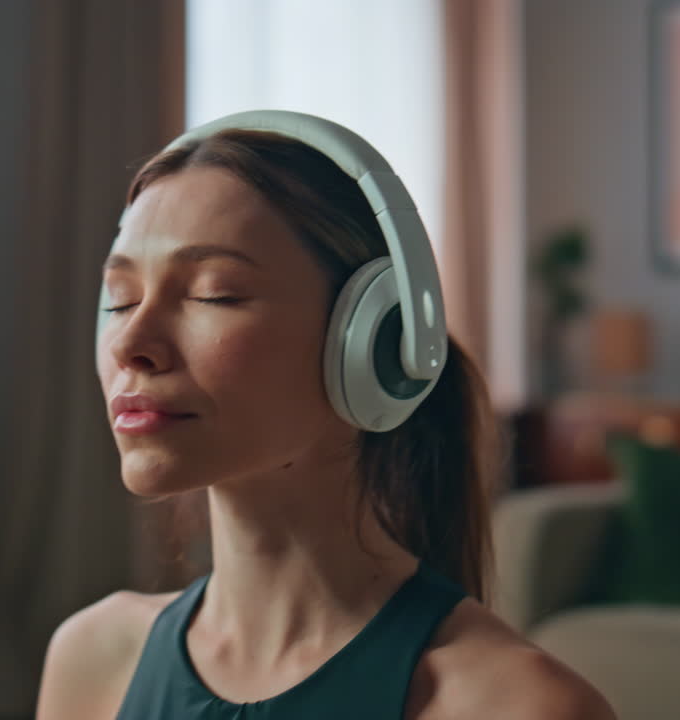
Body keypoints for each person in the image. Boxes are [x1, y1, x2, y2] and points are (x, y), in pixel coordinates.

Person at [36, 113, 615, 719]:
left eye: (215, 293)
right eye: (120, 299)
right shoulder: (94, 657)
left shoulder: (517, 706)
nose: (131, 342)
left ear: (374, 340)